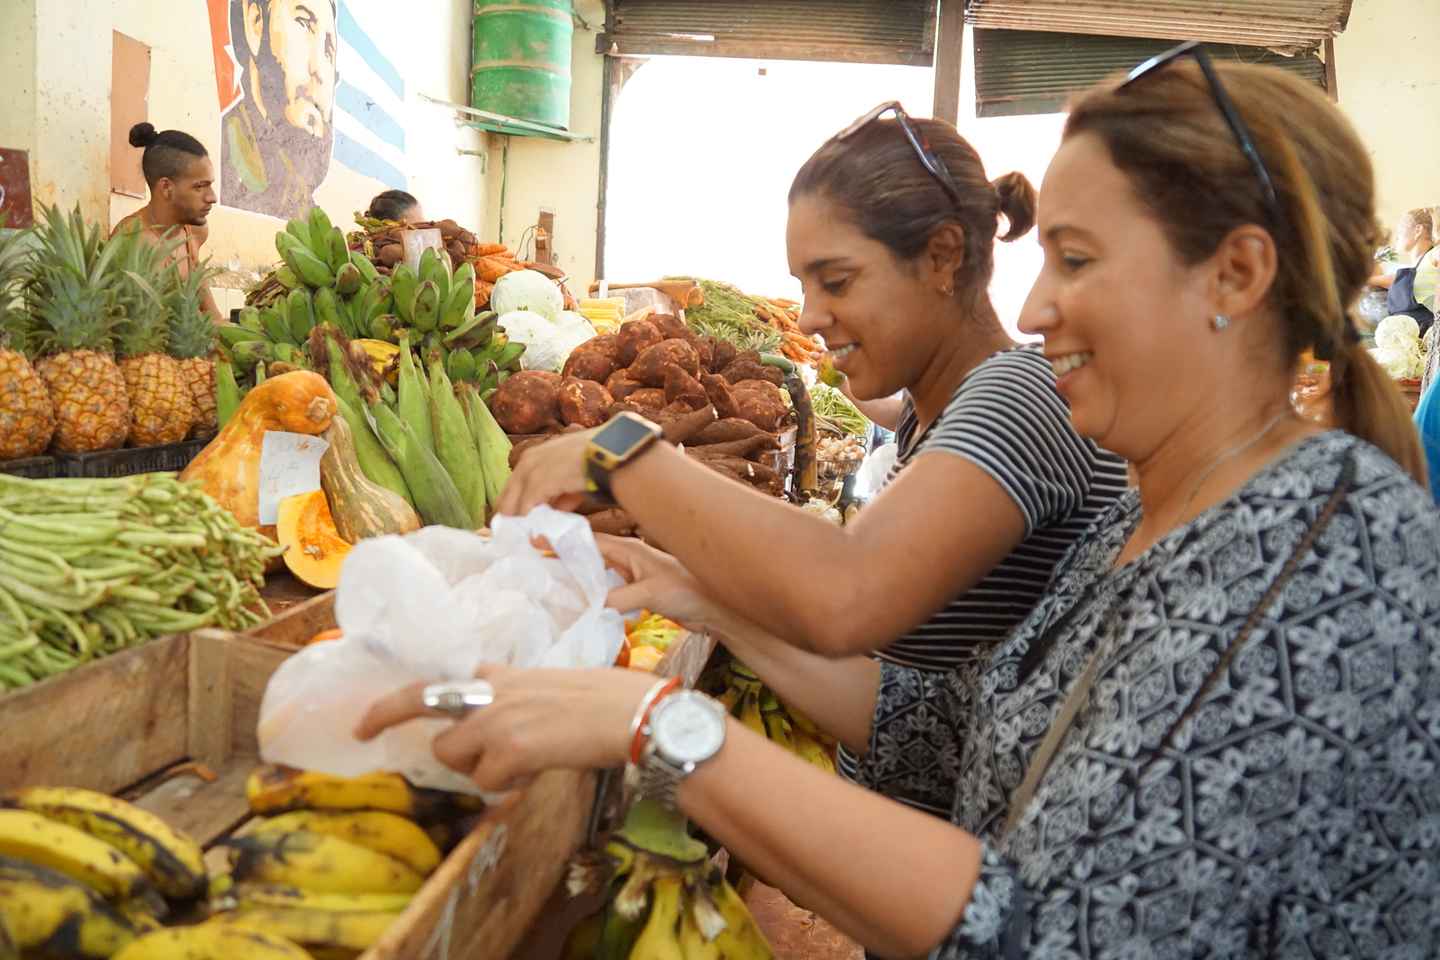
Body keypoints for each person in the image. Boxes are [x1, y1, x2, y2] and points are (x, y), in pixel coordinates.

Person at [360, 50, 1440, 958]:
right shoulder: (1151, 516)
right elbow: (949, 734)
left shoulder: (1316, 557)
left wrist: (657, 723)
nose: (1034, 303)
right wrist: (709, 609)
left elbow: (1048, 930)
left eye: (1075, 258)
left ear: (1236, 276)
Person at [523, 103, 1129, 813]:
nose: (808, 315)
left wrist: (624, 452)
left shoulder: (1020, 395)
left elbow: (847, 592)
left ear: (942, 256)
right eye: (804, 285)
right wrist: (695, 597)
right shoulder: (933, 421)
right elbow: (912, 718)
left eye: (835, 281)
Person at [221, 0, 337, 218]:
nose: (319, 70)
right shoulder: (223, 152)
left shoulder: (306, 204)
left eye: (329, 50)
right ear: (255, 23)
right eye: (303, 23)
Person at [112, 123, 222, 323]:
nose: (212, 197)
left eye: (210, 185)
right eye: (199, 186)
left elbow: (214, 317)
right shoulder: (132, 240)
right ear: (166, 187)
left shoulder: (196, 231)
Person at [1373, 206, 1437, 335]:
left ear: (1418, 230)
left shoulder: (1433, 257)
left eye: (1400, 230)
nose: (1397, 237)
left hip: (1425, 342)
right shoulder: (1416, 267)